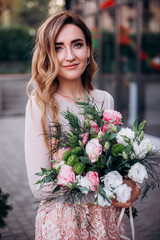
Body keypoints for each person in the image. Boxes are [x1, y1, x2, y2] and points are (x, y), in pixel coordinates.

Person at [25, 11, 140, 240]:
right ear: (48, 54)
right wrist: (104, 185)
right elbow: (40, 188)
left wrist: (129, 183)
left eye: (77, 44)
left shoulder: (104, 100)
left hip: (106, 219)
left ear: (88, 49)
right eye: (58, 47)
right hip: (63, 223)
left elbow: (114, 165)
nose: (69, 55)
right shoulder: (41, 105)